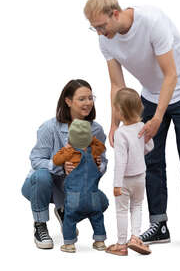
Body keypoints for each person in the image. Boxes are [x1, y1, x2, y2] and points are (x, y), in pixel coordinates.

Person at [84, 0, 180, 249]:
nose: (99, 33)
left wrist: (158, 117)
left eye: (101, 26)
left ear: (115, 14)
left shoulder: (152, 21)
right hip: (150, 95)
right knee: (150, 160)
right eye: (94, 28)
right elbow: (117, 85)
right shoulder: (106, 41)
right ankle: (159, 224)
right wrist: (115, 124)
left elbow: (170, 75)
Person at [21, 79, 108, 250]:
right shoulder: (49, 127)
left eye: (90, 98)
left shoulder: (96, 130)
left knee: (101, 202)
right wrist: (61, 167)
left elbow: (104, 161)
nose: (88, 103)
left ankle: (65, 212)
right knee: (41, 175)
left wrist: (98, 166)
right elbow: (36, 160)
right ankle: (40, 224)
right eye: (82, 99)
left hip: (73, 187)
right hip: (41, 185)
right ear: (68, 101)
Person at [105, 88, 153, 256]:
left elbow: (121, 161)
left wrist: (117, 184)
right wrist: (139, 152)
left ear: (120, 111)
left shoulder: (120, 133)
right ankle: (135, 237)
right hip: (141, 176)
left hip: (125, 179)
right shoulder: (142, 127)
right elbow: (150, 146)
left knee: (121, 210)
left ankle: (121, 245)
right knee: (137, 206)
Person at [53, 119, 108, 253]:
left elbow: (56, 160)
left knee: (69, 218)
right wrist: (92, 139)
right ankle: (100, 242)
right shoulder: (94, 151)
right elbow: (103, 147)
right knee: (97, 216)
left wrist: (64, 149)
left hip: (74, 197)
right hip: (93, 196)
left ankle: (69, 244)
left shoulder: (70, 152)